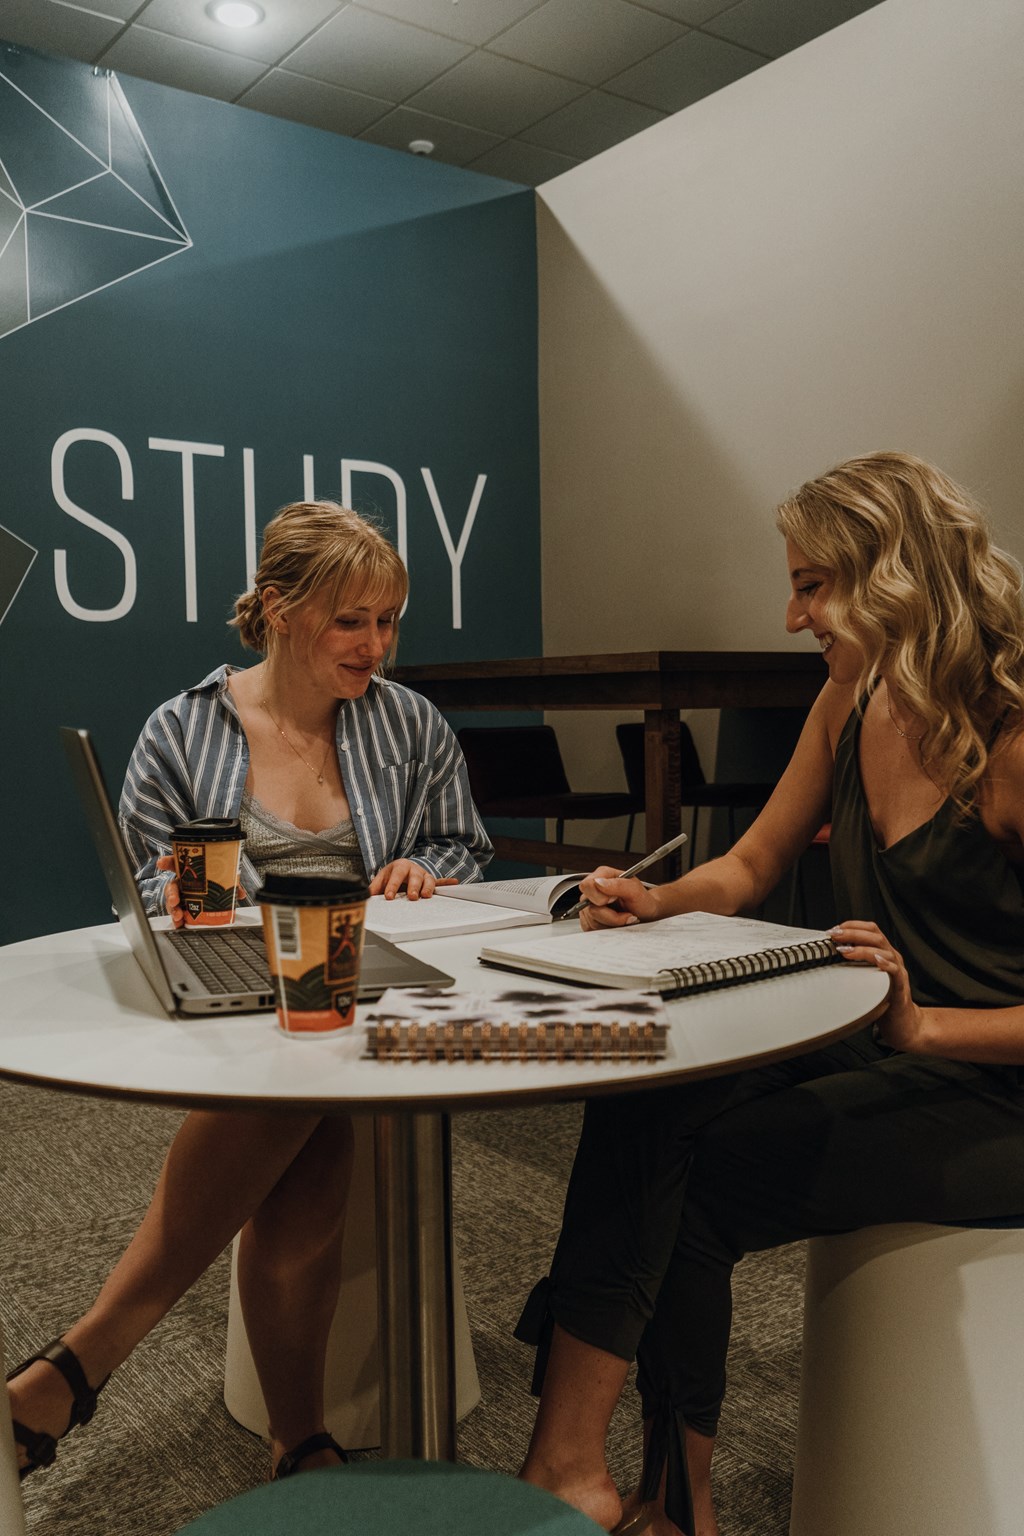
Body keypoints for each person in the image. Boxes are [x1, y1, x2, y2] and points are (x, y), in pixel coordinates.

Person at [516, 452, 1024, 1536]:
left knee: (707, 1183)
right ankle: (574, 1466)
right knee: (647, 1082)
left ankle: (673, 1499)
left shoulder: (1015, 738)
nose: (791, 616)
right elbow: (748, 866)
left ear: (893, 575)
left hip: (998, 1086)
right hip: (891, 1038)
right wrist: (651, 901)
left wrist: (925, 1022)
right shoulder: (852, 696)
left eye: (810, 585)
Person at [8, 500, 491, 1483]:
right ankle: (292, 1434)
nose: (376, 645)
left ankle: (81, 1366)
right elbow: (145, 886)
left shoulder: (410, 724)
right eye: (351, 620)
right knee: (301, 1096)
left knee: (300, 1091)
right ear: (278, 606)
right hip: (242, 1003)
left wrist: (419, 871)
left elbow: (460, 847)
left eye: (389, 619)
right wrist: (205, 898)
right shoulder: (184, 729)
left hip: (368, 995)